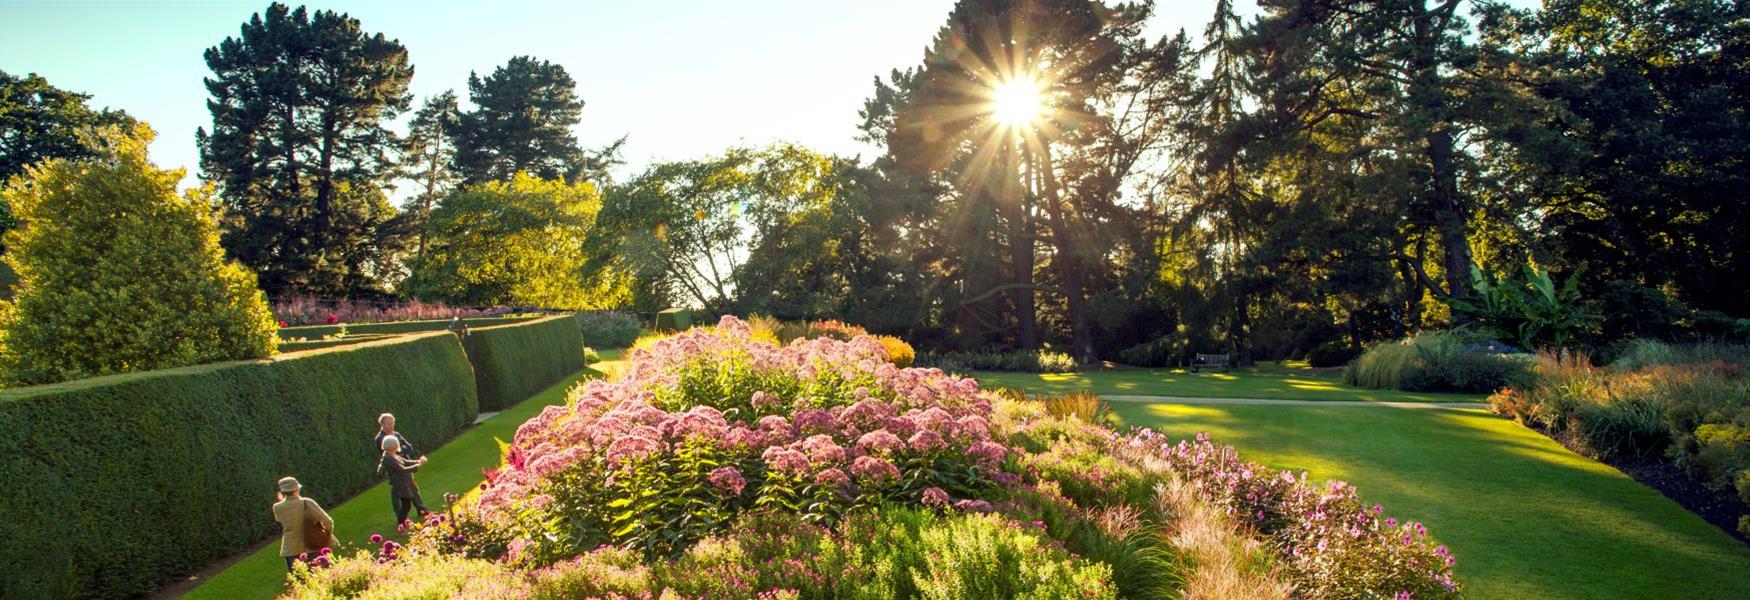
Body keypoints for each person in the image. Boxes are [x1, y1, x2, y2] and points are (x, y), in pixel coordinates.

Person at [271, 476, 333, 572]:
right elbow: (328, 522)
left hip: (290, 548)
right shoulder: (306, 503)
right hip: (312, 544)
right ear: (297, 489)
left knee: (300, 580)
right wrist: (327, 533)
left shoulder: (277, 507)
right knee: (322, 576)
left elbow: (279, 520)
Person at [378, 436, 429, 526]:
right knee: (406, 506)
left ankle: (404, 523)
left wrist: (418, 461)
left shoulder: (393, 454)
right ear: (394, 445)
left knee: (407, 505)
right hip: (400, 485)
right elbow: (403, 469)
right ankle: (401, 524)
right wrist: (418, 466)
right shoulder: (387, 458)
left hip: (406, 483)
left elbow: (406, 462)